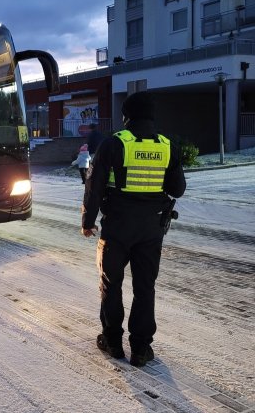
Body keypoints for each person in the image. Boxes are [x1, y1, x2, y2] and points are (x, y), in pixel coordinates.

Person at [80, 91, 186, 367]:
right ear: (152, 116)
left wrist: (88, 222)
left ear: (126, 117)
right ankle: (140, 349)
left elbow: (95, 187)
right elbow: (178, 189)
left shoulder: (114, 144)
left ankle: (113, 341)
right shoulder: (167, 146)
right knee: (145, 286)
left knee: (110, 284)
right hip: (152, 230)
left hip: (117, 228)